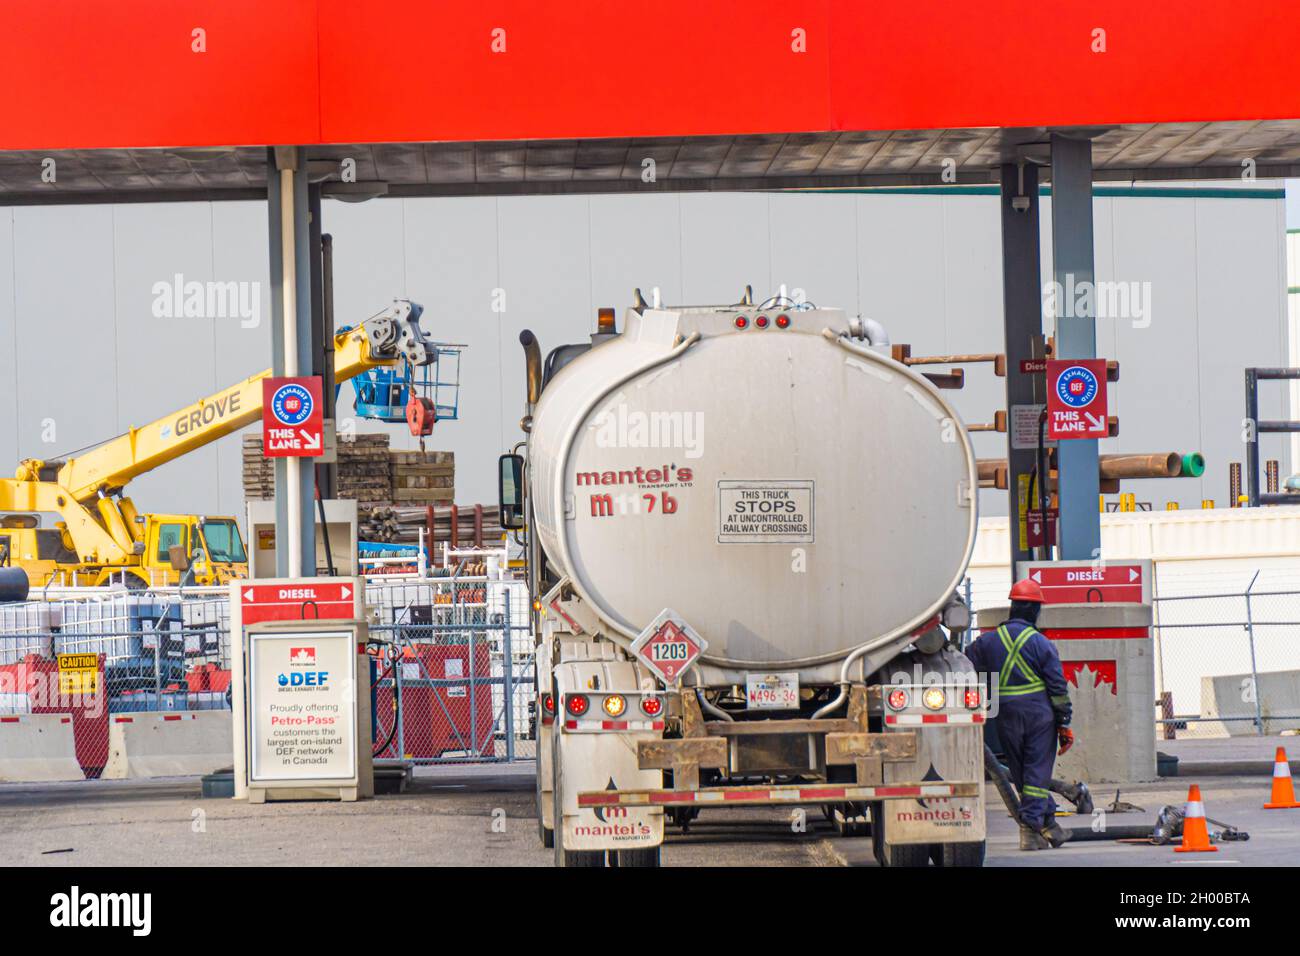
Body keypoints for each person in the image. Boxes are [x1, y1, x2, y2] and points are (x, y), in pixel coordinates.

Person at [964, 578, 1074, 850]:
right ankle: (1029, 829)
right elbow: (1058, 688)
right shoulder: (1041, 643)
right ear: (1035, 610)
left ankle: (1049, 826)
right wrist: (1064, 722)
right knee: (1036, 774)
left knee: (1022, 773)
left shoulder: (987, 642)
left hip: (1005, 714)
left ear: (1012, 607)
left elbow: (962, 665)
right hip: (1039, 715)